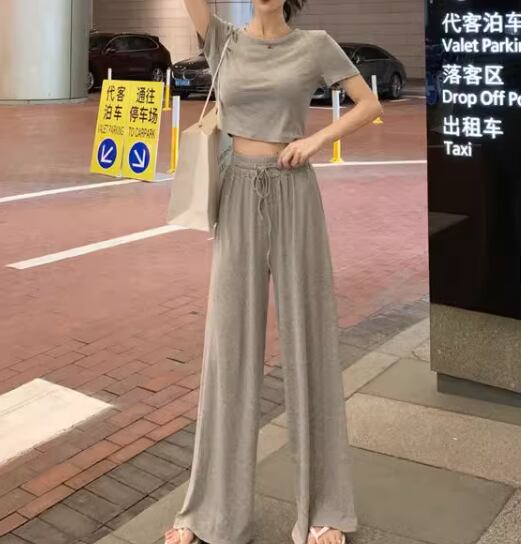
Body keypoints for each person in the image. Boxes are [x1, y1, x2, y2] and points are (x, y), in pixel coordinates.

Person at [165, 1, 383, 543]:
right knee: (228, 349)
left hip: (294, 192)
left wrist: (315, 140)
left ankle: (324, 508)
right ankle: (209, 512)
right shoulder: (223, 40)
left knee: (310, 342)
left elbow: (368, 103)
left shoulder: (315, 45)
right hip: (237, 191)